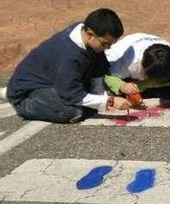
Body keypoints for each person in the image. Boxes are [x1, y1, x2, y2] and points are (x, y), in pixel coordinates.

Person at [1, 8, 132, 123]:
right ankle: (24, 105)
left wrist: (101, 97)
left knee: (90, 101)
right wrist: (109, 102)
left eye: (111, 44)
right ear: (89, 34)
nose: (108, 48)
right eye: (105, 44)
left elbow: (97, 69)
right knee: (73, 112)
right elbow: (72, 95)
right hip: (30, 89)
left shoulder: (86, 35)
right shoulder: (69, 54)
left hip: (55, 80)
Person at [103, 33, 170, 99]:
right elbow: (106, 74)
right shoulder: (128, 61)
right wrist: (121, 86)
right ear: (143, 69)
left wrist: (143, 85)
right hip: (123, 54)